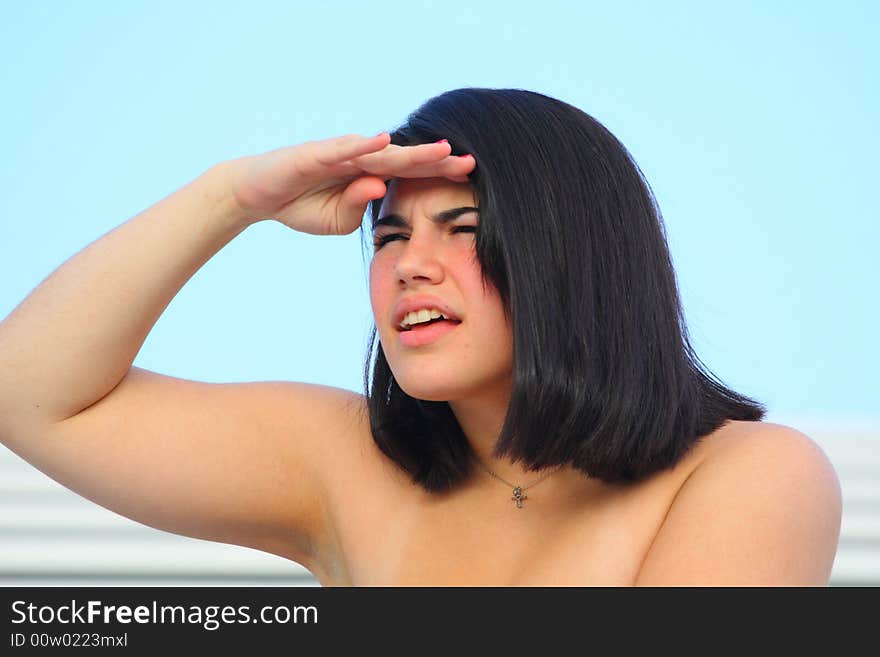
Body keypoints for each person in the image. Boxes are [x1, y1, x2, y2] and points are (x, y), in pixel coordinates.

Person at [0, 87, 842, 586]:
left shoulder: (750, 472)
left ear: (572, 255)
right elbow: (27, 392)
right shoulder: (340, 460)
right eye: (391, 236)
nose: (410, 265)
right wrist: (232, 199)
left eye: (461, 226)